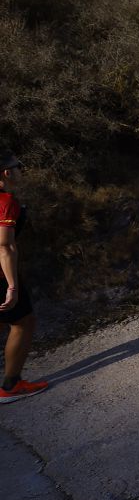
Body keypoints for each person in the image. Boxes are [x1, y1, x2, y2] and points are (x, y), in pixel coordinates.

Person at [0, 152, 48, 403]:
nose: (21, 171)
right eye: (18, 167)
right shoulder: (6, 201)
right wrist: (12, 286)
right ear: (6, 173)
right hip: (0, 273)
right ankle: (11, 386)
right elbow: (5, 247)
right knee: (23, 322)